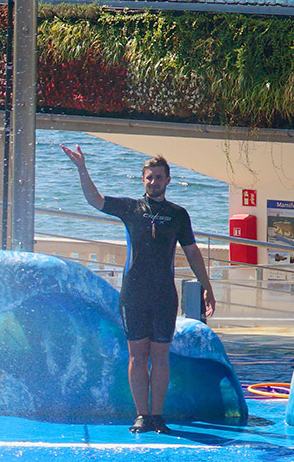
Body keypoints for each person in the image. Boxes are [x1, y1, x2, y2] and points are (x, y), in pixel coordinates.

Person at [62, 147, 216, 434]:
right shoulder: (131, 209)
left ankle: (157, 416)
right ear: (143, 180)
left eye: (159, 177)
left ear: (168, 180)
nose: (153, 182)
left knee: (160, 357)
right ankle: (141, 415)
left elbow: (193, 254)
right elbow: (95, 201)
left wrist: (206, 285)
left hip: (163, 295)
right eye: (149, 178)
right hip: (134, 294)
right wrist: (82, 167)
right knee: (137, 356)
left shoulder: (178, 215)